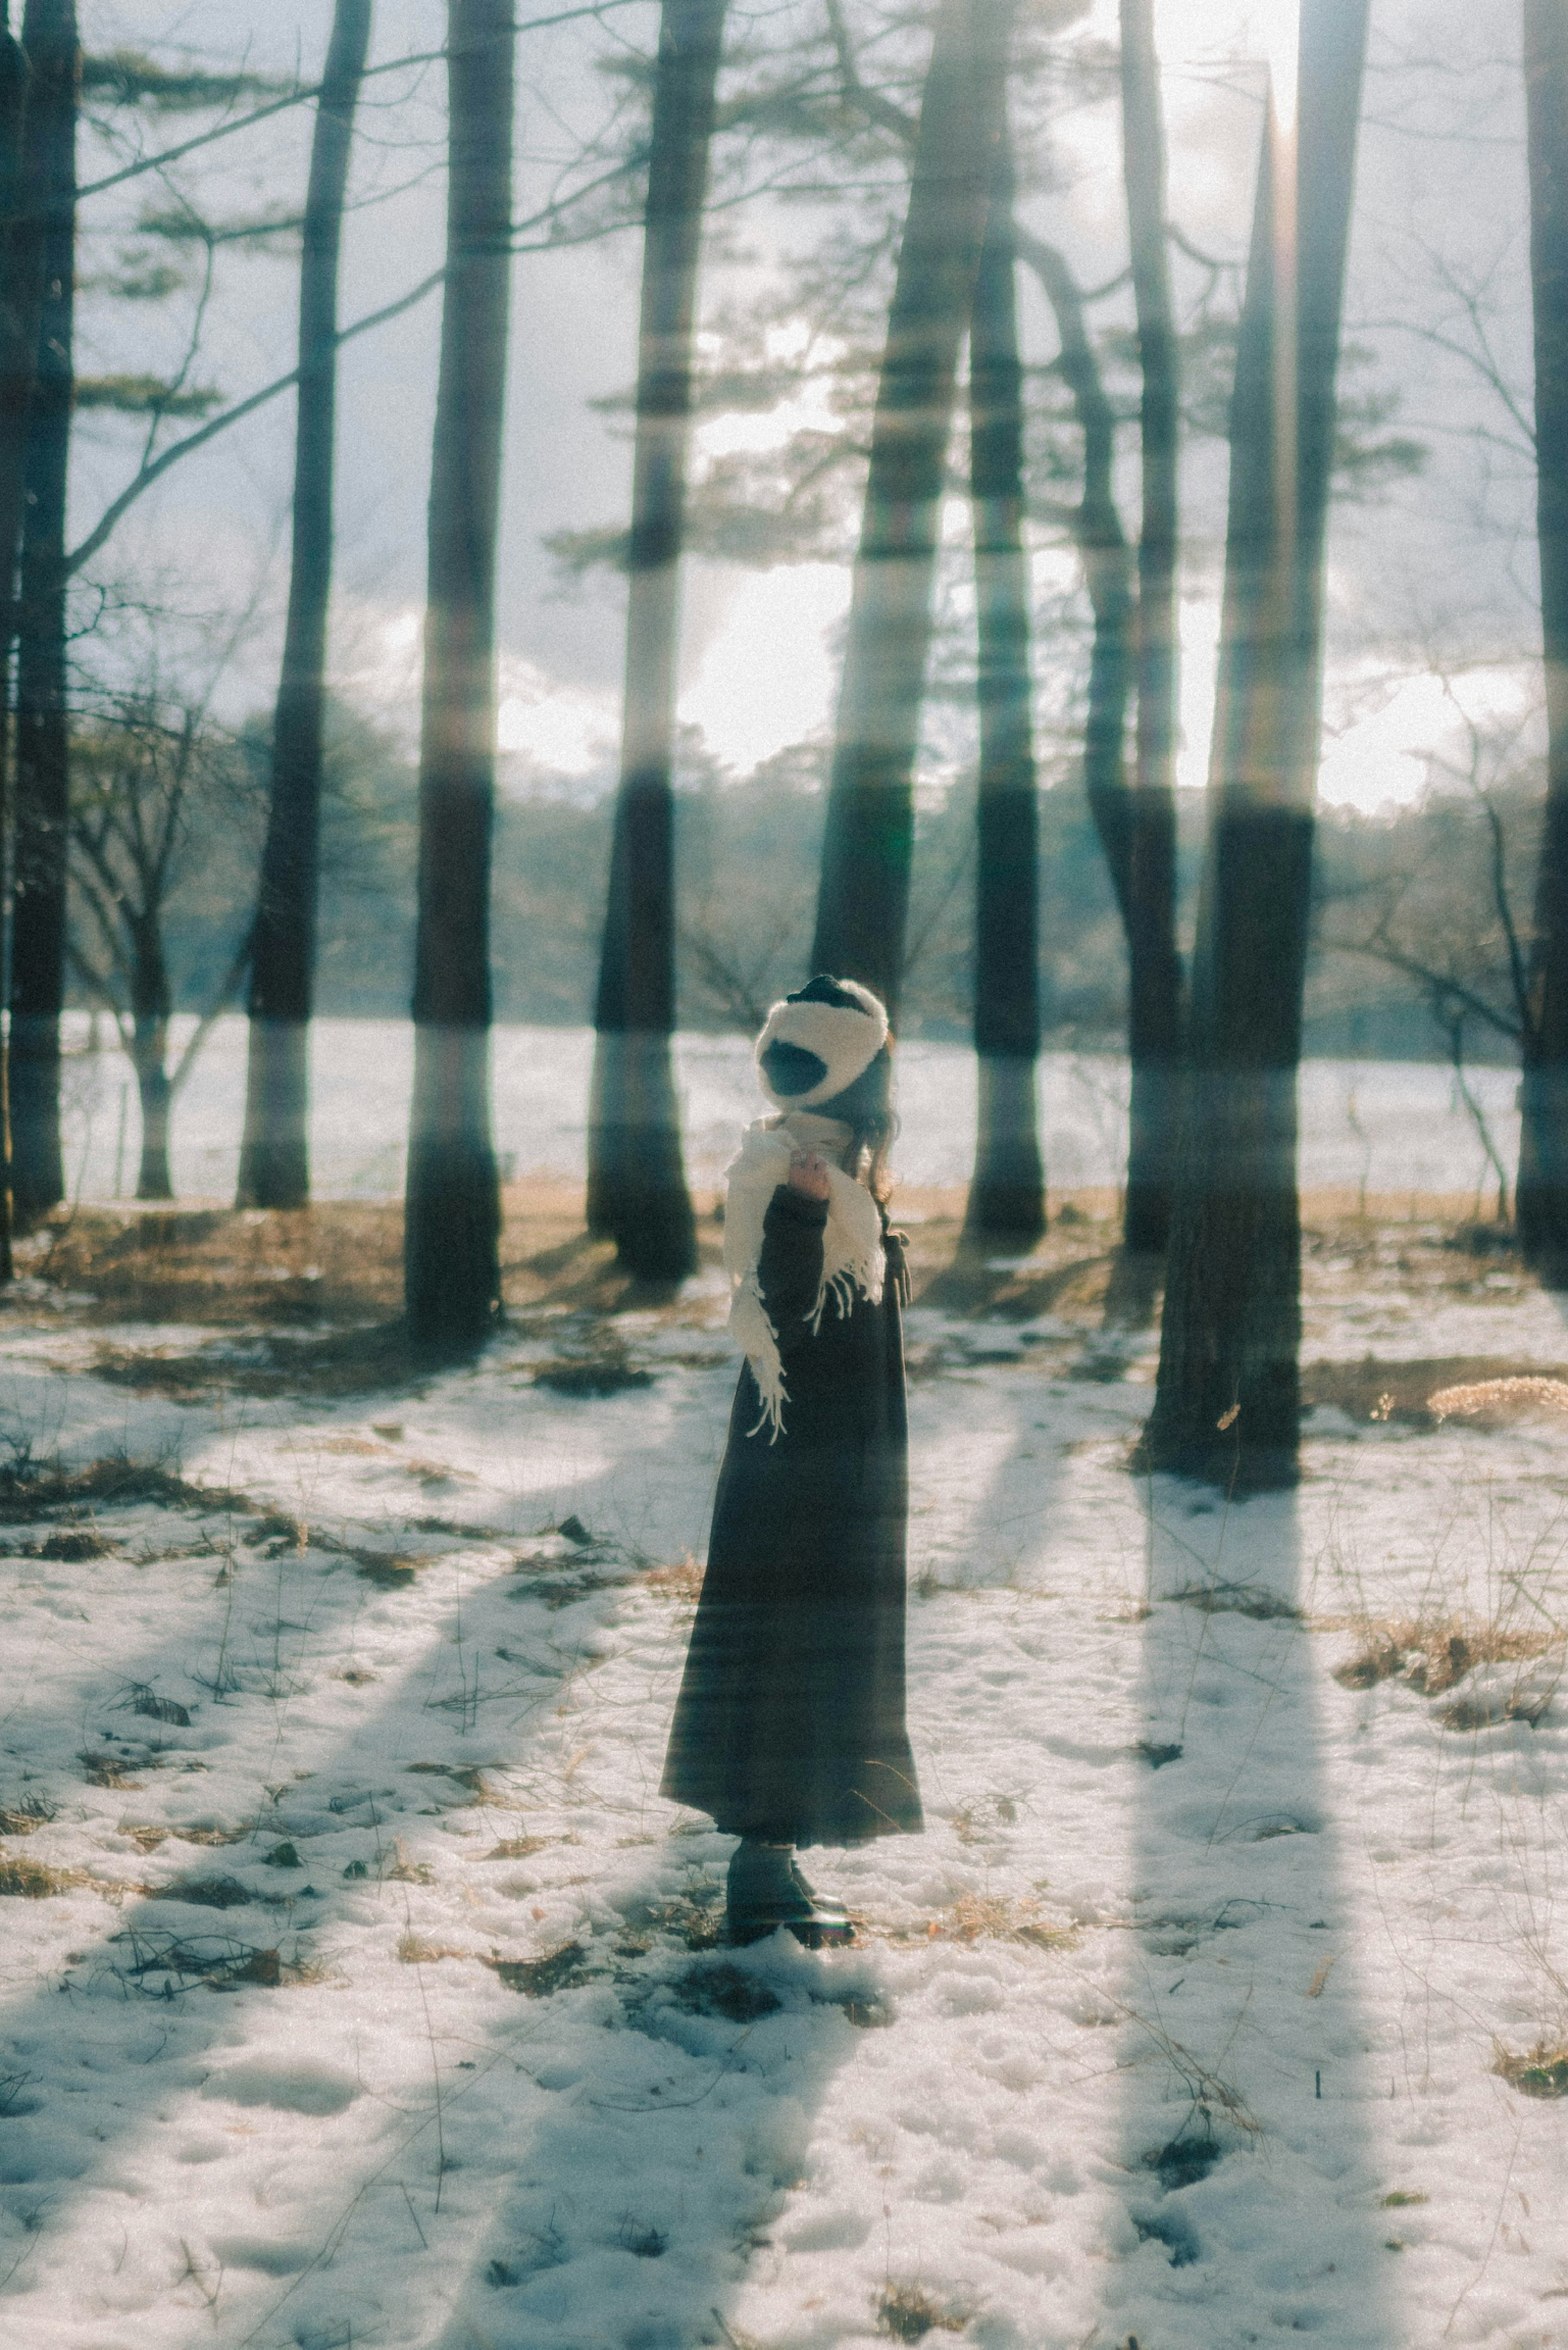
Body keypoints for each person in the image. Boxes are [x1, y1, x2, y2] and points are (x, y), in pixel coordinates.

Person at [661, 974, 924, 1946]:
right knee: (791, 1639)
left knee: (808, 1640)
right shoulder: (795, 1167)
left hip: (829, 1449)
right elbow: (781, 1303)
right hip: (805, 1455)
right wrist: (807, 1215)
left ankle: (773, 1866)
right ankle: (762, 1869)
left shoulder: (830, 1162)